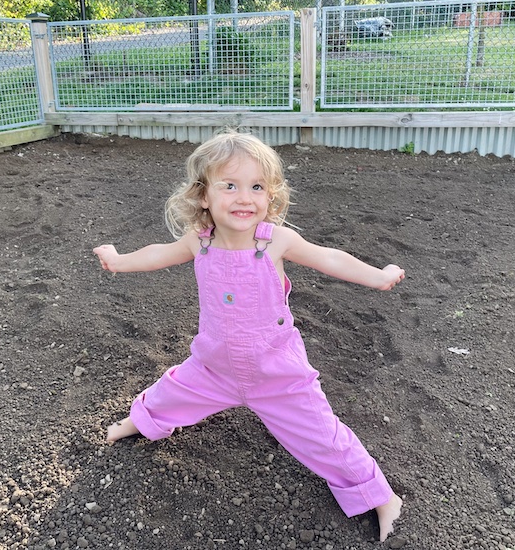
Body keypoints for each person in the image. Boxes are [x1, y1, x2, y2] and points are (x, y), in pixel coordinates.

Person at [93, 131, 405, 542]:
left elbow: (329, 257)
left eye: (257, 187)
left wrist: (377, 276)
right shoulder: (198, 242)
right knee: (172, 391)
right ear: (203, 195)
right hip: (214, 365)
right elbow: (156, 254)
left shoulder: (275, 240)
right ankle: (142, 420)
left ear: (270, 196)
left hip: (276, 372)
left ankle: (379, 496)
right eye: (230, 186)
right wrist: (118, 261)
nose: (245, 198)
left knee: (322, 435)